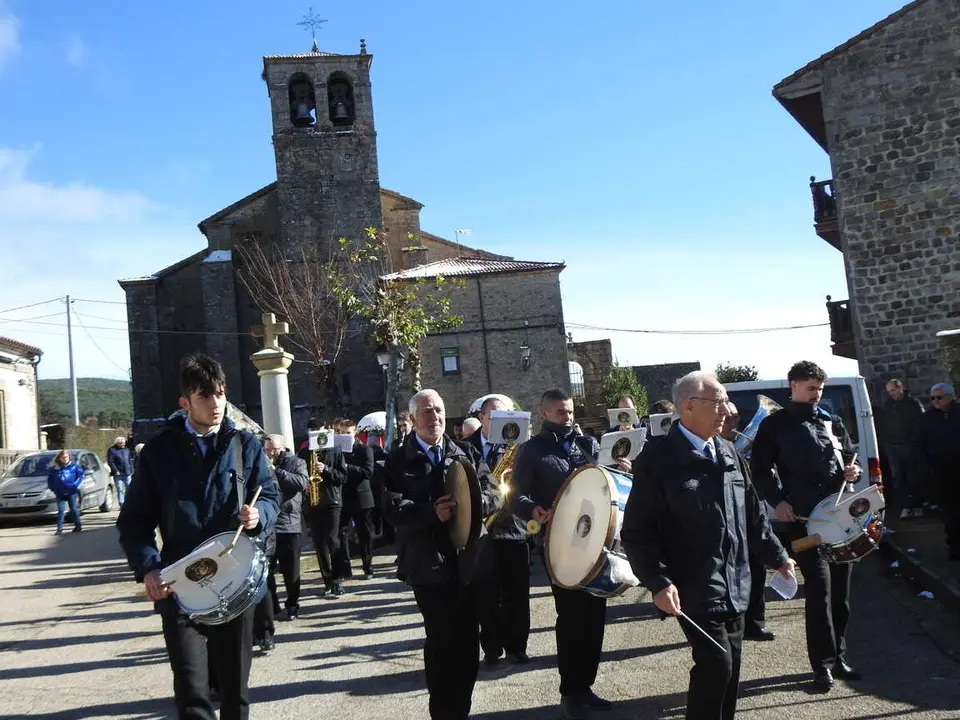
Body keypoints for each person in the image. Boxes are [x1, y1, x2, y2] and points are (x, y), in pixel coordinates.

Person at [116, 353, 279, 720]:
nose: (215, 403)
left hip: (234, 584)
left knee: (236, 693)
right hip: (180, 588)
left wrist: (258, 515)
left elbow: (269, 495)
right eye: (204, 395)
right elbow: (134, 522)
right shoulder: (159, 452)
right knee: (191, 693)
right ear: (185, 402)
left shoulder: (244, 445)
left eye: (220, 393)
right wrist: (148, 568)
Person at [622, 371, 793, 720]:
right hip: (693, 586)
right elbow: (638, 532)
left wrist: (778, 557)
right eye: (717, 402)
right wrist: (656, 581)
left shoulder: (730, 453)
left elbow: (753, 518)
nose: (726, 410)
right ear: (688, 407)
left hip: (736, 584)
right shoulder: (659, 459)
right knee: (716, 664)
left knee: (730, 671)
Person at [381, 389, 501, 720]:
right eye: (426, 411)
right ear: (412, 419)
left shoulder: (464, 453)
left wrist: (473, 507)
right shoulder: (396, 460)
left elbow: (494, 494)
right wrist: (430, 513)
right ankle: (444, 712)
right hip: (427, 566)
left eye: (438, 410)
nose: (434, 417)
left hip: (468, 563)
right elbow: (392, 510)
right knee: (441, 641)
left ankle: (460, 710)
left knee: (466, 645)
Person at [751, 360, 862, 691]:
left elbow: (848, 456)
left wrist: (850, 473)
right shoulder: (775, 426)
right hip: (805, 521)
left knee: (840, 592)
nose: (817, 395)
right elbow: (760, 469)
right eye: (811, 388)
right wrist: (779, 501)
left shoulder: (830, 420)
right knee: (819, 590)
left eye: (820, 389)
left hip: (840, 517)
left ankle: (839, 656)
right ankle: (822, 665)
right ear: (793, 385)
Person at [512, 389, 609, 720]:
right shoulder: (532, 450)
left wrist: (619, 467)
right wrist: (533, 509)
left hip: (594, 540)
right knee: (571, 618)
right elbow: (515, 495)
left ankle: (587, 687)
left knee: (595, 615)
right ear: (544, 413)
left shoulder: (589, 445)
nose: (567, 418)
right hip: (557, 544)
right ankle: (570, 691)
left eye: (569, 412)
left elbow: (604, 483)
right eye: (559, 413)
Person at [468, 396, 532, 667]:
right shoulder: (465, 447)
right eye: (492, 415)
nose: (498, 420)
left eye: (503, 415)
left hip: (514, 527)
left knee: (517, 593)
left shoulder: (521, 447)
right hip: (481, 530)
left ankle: (517, 646)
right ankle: (492, 646)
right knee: (485, 593)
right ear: (481, 417)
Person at [719, 403, 776, 642]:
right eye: (729, 417)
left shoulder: (743, 445)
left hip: (751, 511)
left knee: (757, 569)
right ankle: (732, 624)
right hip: (728, 518)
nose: (735, 422)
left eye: (736, 417)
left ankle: (755, 623)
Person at [299, 420, 349, 597]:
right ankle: (327, 581)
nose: (315, 433)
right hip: (313, 502)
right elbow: (300, 475)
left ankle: (338, 580)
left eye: (317, 430)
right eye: (312, 430)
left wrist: (326, 469)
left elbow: (343, 476)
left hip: (332, 501)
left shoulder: (335, 450)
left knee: (332, 540)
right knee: (319, 544)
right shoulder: (305, 452)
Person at [264, 434, 309, 620]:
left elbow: (301, 483)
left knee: (291, 570)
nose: (271, 452)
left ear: (282, 447)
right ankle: (272, 606)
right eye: (268, 449)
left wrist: (277, 471)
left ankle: (292, 604)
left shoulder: (296, 462)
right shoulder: (262, 463)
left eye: (274, 449)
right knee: (267, 570)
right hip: (269, 525)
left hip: (289, 523)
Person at [916, 383, 960, 561]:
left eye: (939, 397)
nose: (935, 401)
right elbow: (919, 444)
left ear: (950, 397)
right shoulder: (927, 419)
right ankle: (955, 547)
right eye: (932, 398)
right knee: (950, 512)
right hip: (942, 471)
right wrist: (927, 467)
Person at [877, 379, 925, 519]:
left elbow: (920, 423)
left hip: (909, 445)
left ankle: (917, 505)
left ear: (900, 388)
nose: (890, 394)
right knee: (898, 478)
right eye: (888, 392)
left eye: (892, 390)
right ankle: (905, 507)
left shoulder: (913, 403)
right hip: (892, 446)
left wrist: (914, 441)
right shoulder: (888, 405)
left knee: (913, 477)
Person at [337, 419, 377, 579]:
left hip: (361, 497)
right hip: (344, 496)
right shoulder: (337, 451)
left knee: (365, 534)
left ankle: (368, 566)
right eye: (342, 433)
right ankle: (346, 568)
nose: (345, 436)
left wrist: (347, 467)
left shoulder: (364, 449)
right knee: (341, 532)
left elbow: (368, 472)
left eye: (348, 433)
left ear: (354, 433)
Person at [47, 449, 84, 534]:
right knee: (61, 510)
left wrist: (75, 484)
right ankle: (59, 529)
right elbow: (50, 479)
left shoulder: (74, 466)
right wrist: (53, 488)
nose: (65, 459)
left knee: (73, 509)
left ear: (69, 457)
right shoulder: (55, 468)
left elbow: (81, 476)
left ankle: (78, 525)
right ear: (59, 458)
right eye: (63, 457)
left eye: (66, 457)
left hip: (71, 491)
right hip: (59, 492)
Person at [107, 437, 133, 507]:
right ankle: (122, 504)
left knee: (130, 488)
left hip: (128, 473)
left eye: (124, 443)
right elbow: (110, 461)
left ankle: (129, 502)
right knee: (120, 489)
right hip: (118, 474)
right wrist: (115, 470)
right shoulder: (112, 450)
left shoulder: (127, 450)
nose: (123, 445)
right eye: (121, 443)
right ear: (117, 443)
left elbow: (130, 461)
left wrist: (132, 470)